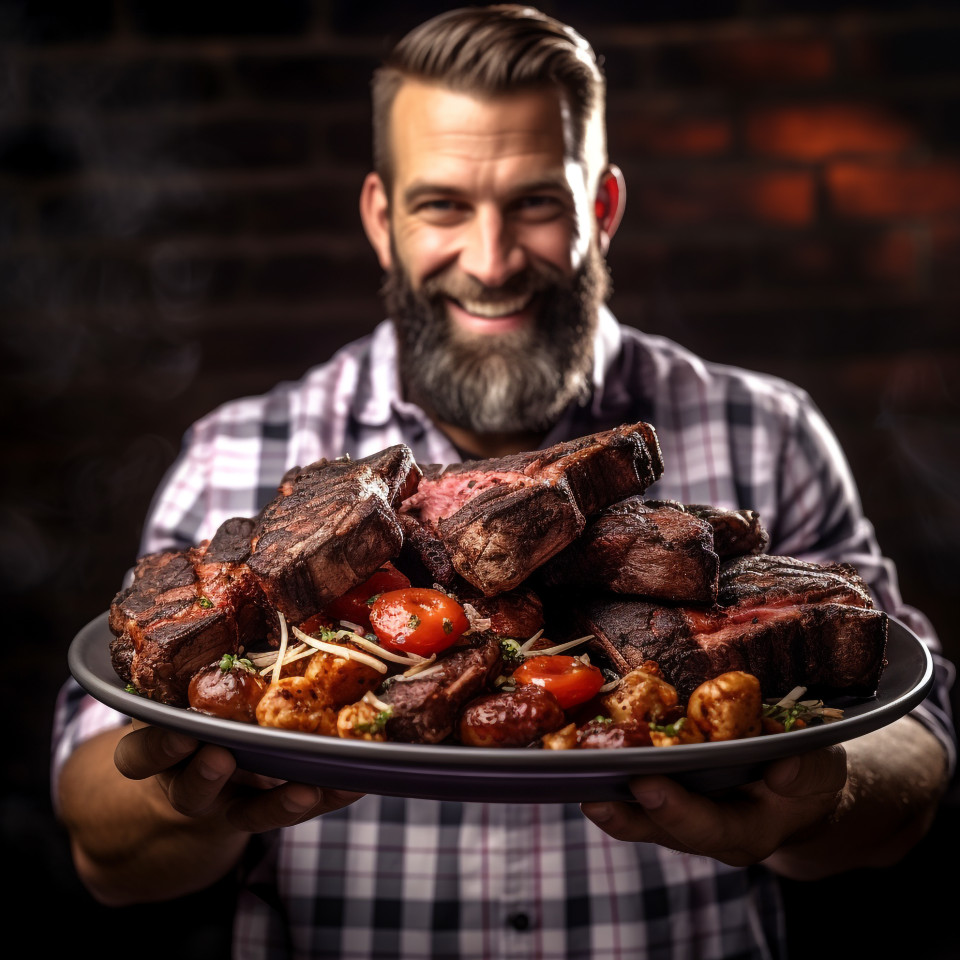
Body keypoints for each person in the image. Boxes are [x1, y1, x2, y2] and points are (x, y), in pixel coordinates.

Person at [53, 6, 955, 959]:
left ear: (602, 210)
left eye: (536, 203)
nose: (489, 263)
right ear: (380, 219)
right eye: (442, 205)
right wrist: (189, 805)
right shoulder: (233, 455)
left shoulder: (769, 434)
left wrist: (819, 806)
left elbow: (913, 743)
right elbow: (102, 845)